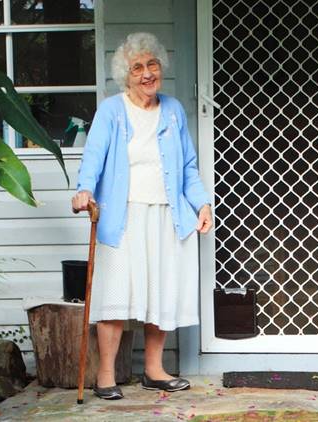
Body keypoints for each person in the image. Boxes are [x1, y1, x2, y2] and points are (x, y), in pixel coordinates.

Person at [71, 32, 213, 400]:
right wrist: (85, 190)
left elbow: (188, 166)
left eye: (152, 64)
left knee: (161, 293)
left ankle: (154, 370)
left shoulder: (173, 110)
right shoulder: (112, 110)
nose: (147, 73)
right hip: (123, 216)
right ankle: (105, 375)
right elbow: (94, 157)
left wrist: (202, 204)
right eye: (137, 67)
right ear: (126, 74)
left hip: (167, 216)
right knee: (115, 294)